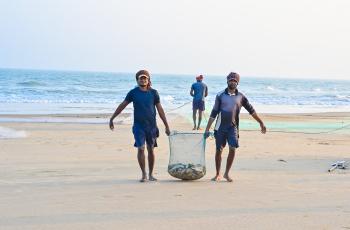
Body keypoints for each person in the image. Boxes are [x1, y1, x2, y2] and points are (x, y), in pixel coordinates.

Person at [109, 70, 171, 182]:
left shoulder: (154, 93)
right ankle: (144, 174)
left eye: (145, 78)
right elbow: (122, 105)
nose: (143, 80)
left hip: (151, 126)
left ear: (148, 80)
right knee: (141, 148)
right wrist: (112, 118)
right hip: (139, 126)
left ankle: (151, 174)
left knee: (151, 149)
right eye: (140, 78)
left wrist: (166, 125)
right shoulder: (133, 93)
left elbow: (160, 109)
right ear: (137, 80)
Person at [204, 72, 266, 182]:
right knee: (219, 150)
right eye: (231, 80)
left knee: (232, 148)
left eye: (235, 81)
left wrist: (260, 122)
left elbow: (251, 111)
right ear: (227, 81)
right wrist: (207, 129)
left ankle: (226, 173)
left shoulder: (241, 97)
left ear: (238, 83)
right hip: (220, 127)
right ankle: (217, 174)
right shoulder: (220, 95)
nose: (232, 82)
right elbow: (213, 113)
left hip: (233, 127)